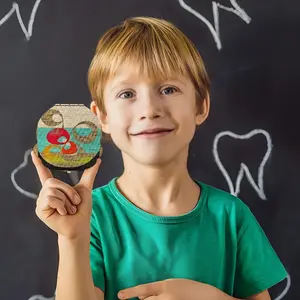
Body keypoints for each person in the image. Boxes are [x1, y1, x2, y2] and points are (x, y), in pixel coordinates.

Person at [31, 16, 287, 300]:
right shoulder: (91, 217)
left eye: (168, 89)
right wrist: (72, 239)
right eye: (127, 93)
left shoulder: (231, 217)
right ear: (101, 117)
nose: (150, 109)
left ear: (201, 106)